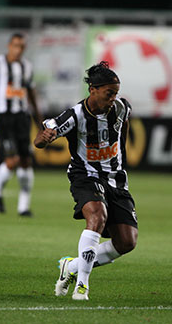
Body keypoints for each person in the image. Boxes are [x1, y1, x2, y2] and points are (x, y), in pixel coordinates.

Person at [34, 61, 138, 300]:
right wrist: (46, 137)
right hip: (86, 175)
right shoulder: (75, 115)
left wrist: (120, 157)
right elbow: (39, 141)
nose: (113, 98)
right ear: (93, 90)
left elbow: (124, 127)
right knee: (97, 216)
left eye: (116, 93)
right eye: (109, 93)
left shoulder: (121, 108)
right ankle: (82, 286)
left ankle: (70, 267)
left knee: (126, 242)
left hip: (115, 179)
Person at [0, 33, 42, 217]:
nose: (18, 50)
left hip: (22, 118)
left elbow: (31, 94)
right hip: (4, 118)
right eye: (15, 45)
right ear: (9, 46)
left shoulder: (27, 66)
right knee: (12, 161)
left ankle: (24, 207)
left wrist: (38, 119)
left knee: (26, 161)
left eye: (21, 46)